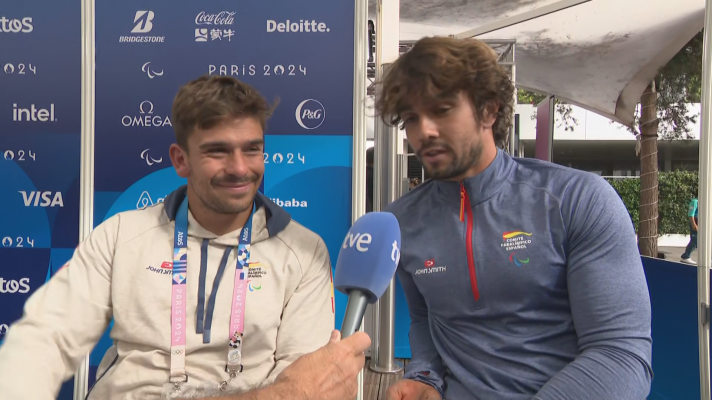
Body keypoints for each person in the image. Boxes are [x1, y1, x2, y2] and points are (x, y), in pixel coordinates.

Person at [0, 75, 370, 400]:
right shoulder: (120, 235)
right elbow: (44, 339)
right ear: (180, 160)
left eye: (252, 149)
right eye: (217, 151)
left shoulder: (304, 252)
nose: (240, 168)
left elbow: (307, 385)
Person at [375, 37, 653, 400]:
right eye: (411, 118)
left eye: (441, 109)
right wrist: (425, 376)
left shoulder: (578, 200)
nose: (423, 131)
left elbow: (620, 355)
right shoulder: (401, 221)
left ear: (489, 111)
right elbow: (428, 320)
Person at [681, 196, 699, 265]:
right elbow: (691, 215)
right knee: (695, 240)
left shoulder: (703, 202)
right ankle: (686, 256)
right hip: (695, 221)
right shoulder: (694, 202)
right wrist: (694, 225)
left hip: (699, 222)